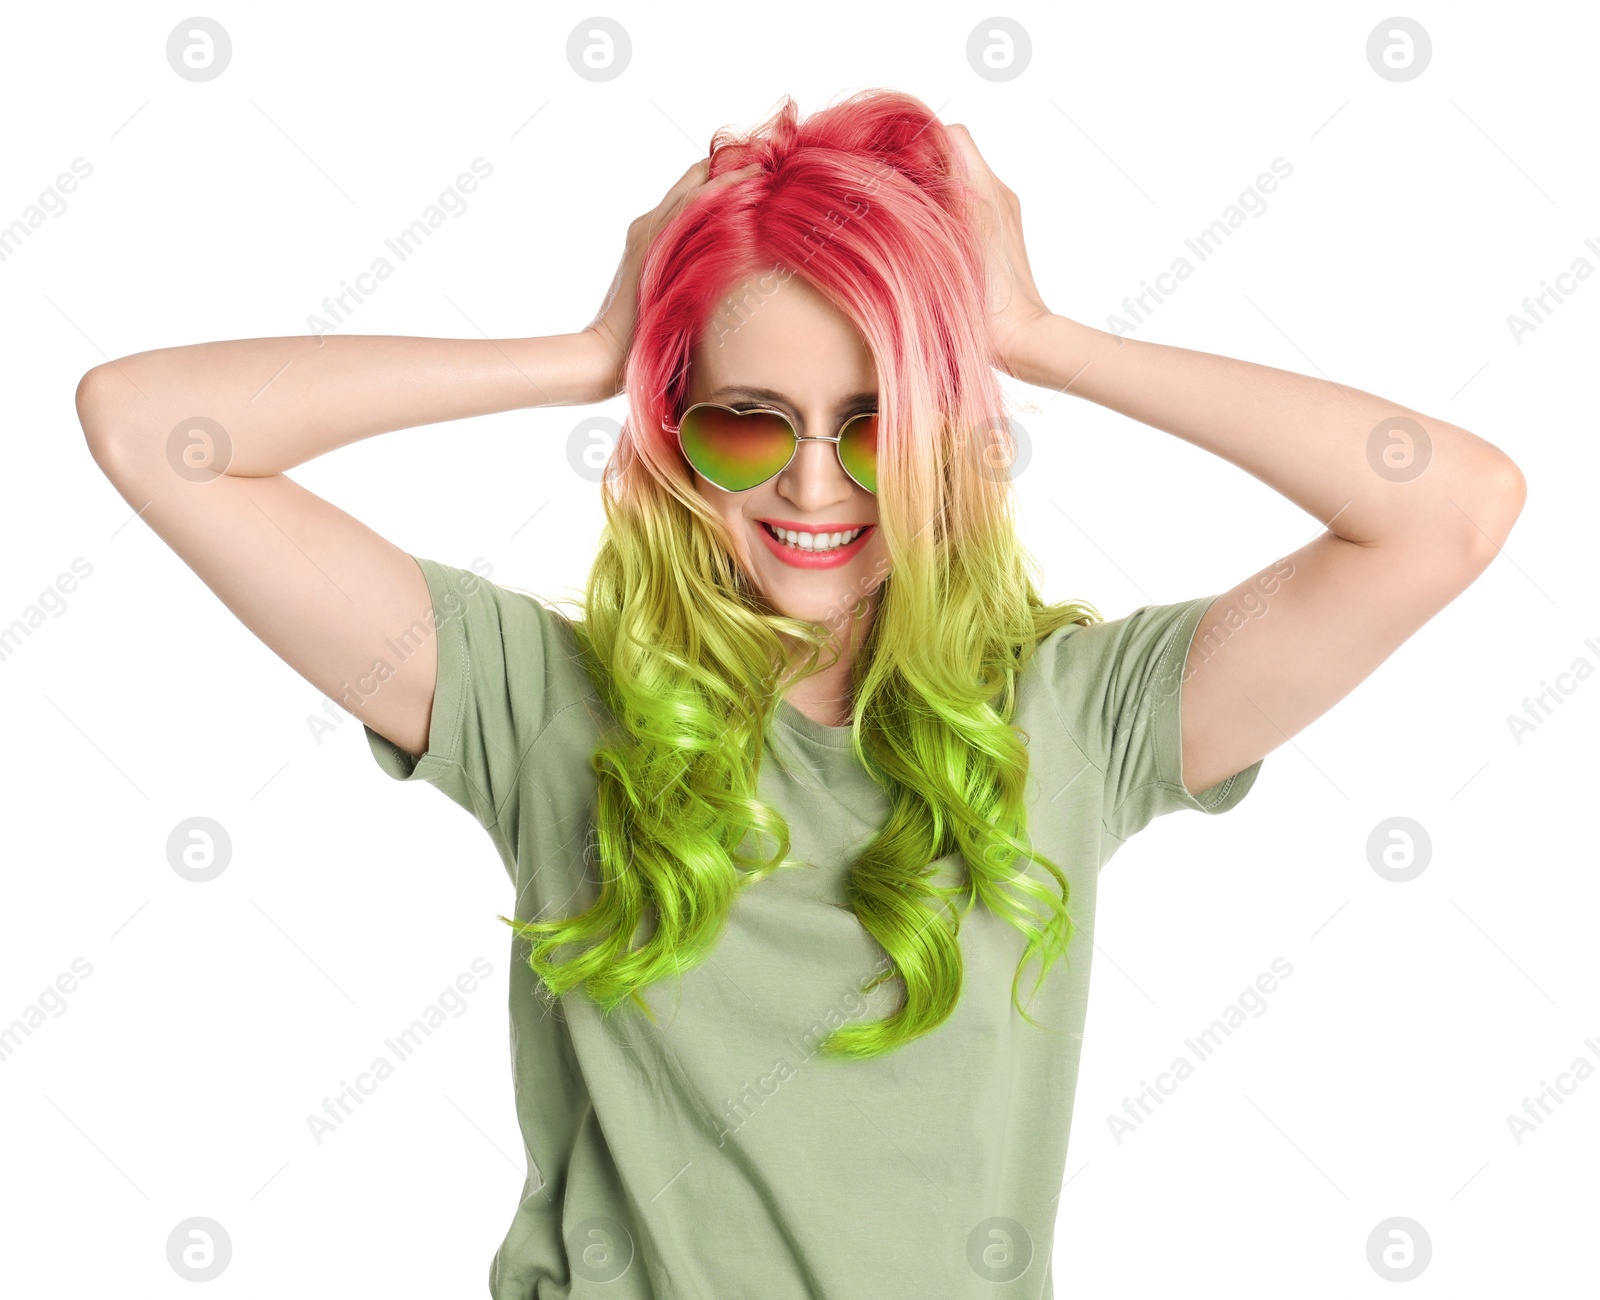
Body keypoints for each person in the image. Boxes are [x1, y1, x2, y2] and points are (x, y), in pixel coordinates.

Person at [76, 89, 1525, 1298]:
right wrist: (591, 352)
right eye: (742, 422)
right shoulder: (548, 707)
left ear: (955, 437)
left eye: (878, 420)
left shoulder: (1080, 721)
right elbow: (154, 430)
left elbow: (1450, 508)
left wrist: (1032, 334)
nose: (815, 486)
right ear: (671, 435)